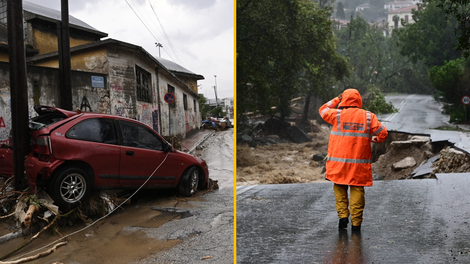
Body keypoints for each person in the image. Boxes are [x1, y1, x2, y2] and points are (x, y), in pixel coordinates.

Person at [318, 88, 388, 231]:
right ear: (359, 100)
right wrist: (377, 139)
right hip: (358, 164)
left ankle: (343, 216)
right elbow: (383, 133)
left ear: (345, 100)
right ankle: (356, 224)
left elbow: (323, 109)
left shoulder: (337, 115)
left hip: (339, 163)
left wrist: (336, 99)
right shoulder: (368, 116)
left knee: (339, 186)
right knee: (357, 190)